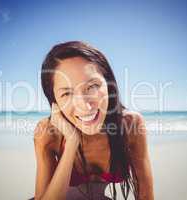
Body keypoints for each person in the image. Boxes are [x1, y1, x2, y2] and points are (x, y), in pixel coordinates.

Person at [33, 41, 154, 200]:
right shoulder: (48, 134)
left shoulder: (130, 125)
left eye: (92, 87)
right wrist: (71, 143)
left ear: (109, 85)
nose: (84, 105)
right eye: (67, 94)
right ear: (54, 100)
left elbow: (145, 195)